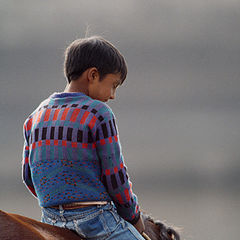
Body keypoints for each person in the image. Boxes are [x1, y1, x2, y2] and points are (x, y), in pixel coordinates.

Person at [22, 36, 145, 239]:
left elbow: (29, 176)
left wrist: (59, 201)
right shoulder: (99, 113)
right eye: (113, 85)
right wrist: (133, 215)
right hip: (95, 220)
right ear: (93, 75)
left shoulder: (34, 117)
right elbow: (115, 177)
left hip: (50, 219)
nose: (113, 95)